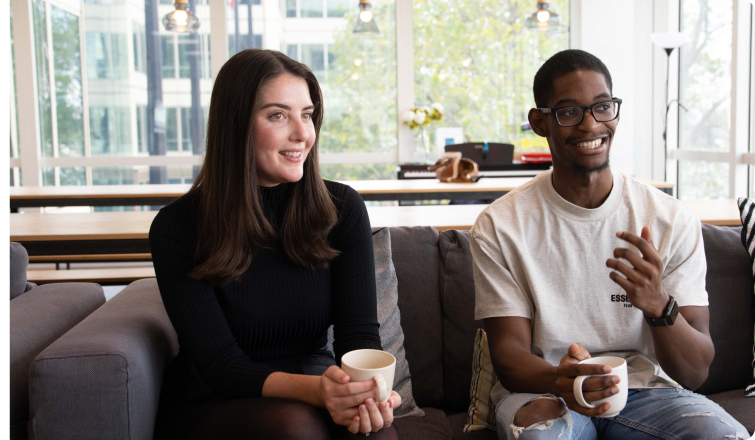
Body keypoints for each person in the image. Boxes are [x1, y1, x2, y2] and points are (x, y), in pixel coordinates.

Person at [469, 49, 749, 440]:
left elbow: (696, 371)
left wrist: (659, 305)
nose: (590, 125)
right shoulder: (500, 225)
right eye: (569, 112)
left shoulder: (670, 219)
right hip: (545, 390)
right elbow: (510, 357)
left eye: (602, 107)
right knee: (542, 435)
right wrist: (563, 379)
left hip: (644, 391)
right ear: (539, 122)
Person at [149, 49, 401, 440]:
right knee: (295, 427)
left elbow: (359, 337)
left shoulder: (342, 209)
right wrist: (320, 392)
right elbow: (220, 365)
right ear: (237, 125)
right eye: (278, 115)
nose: (302, 134)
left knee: (375, 432)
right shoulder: (178, 227)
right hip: (218, 400)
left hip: (312, 380)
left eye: (307, 114)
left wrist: (366, 394)